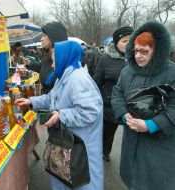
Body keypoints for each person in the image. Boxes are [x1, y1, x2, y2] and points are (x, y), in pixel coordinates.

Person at [16, 41, 104, 190]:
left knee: (81, 182)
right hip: (67, 142)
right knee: (65, 178)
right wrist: (30, 101)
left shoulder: (78, 80)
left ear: (65, 57)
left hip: (80, 147)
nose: (52, 65)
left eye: (54, 60)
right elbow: (51, 98)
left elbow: (89, 112)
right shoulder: (63, 76)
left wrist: (61, 115)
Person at [111, 21, 175, 190]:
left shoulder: (171, 72)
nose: (138, 55)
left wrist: (151, 125)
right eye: (136, 50)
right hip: (131, 141)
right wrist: (124, 114)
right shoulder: (127, 71)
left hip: (158, 148)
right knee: (132, 182)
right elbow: (117, 94)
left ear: (157, 50)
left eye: (144, 51)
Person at [93, 26, 134, 161]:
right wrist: (97, 102)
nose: (128, 43)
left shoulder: (138, 57)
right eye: (124, 41)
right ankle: (104, 151)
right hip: (110, 105)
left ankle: (132, 158)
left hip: (133, 105)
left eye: (130, 39)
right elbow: (96, 82)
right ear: (116, 43)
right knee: (108, 132)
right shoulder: (106, 59)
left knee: (133, 133)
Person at [24, 21, 68, 94]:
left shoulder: (62, 59)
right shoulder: (47, 54)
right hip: (46, 98)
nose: (41, 39)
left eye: (44, 36)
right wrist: (30, 64)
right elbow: (43, 67)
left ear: (53, 37)